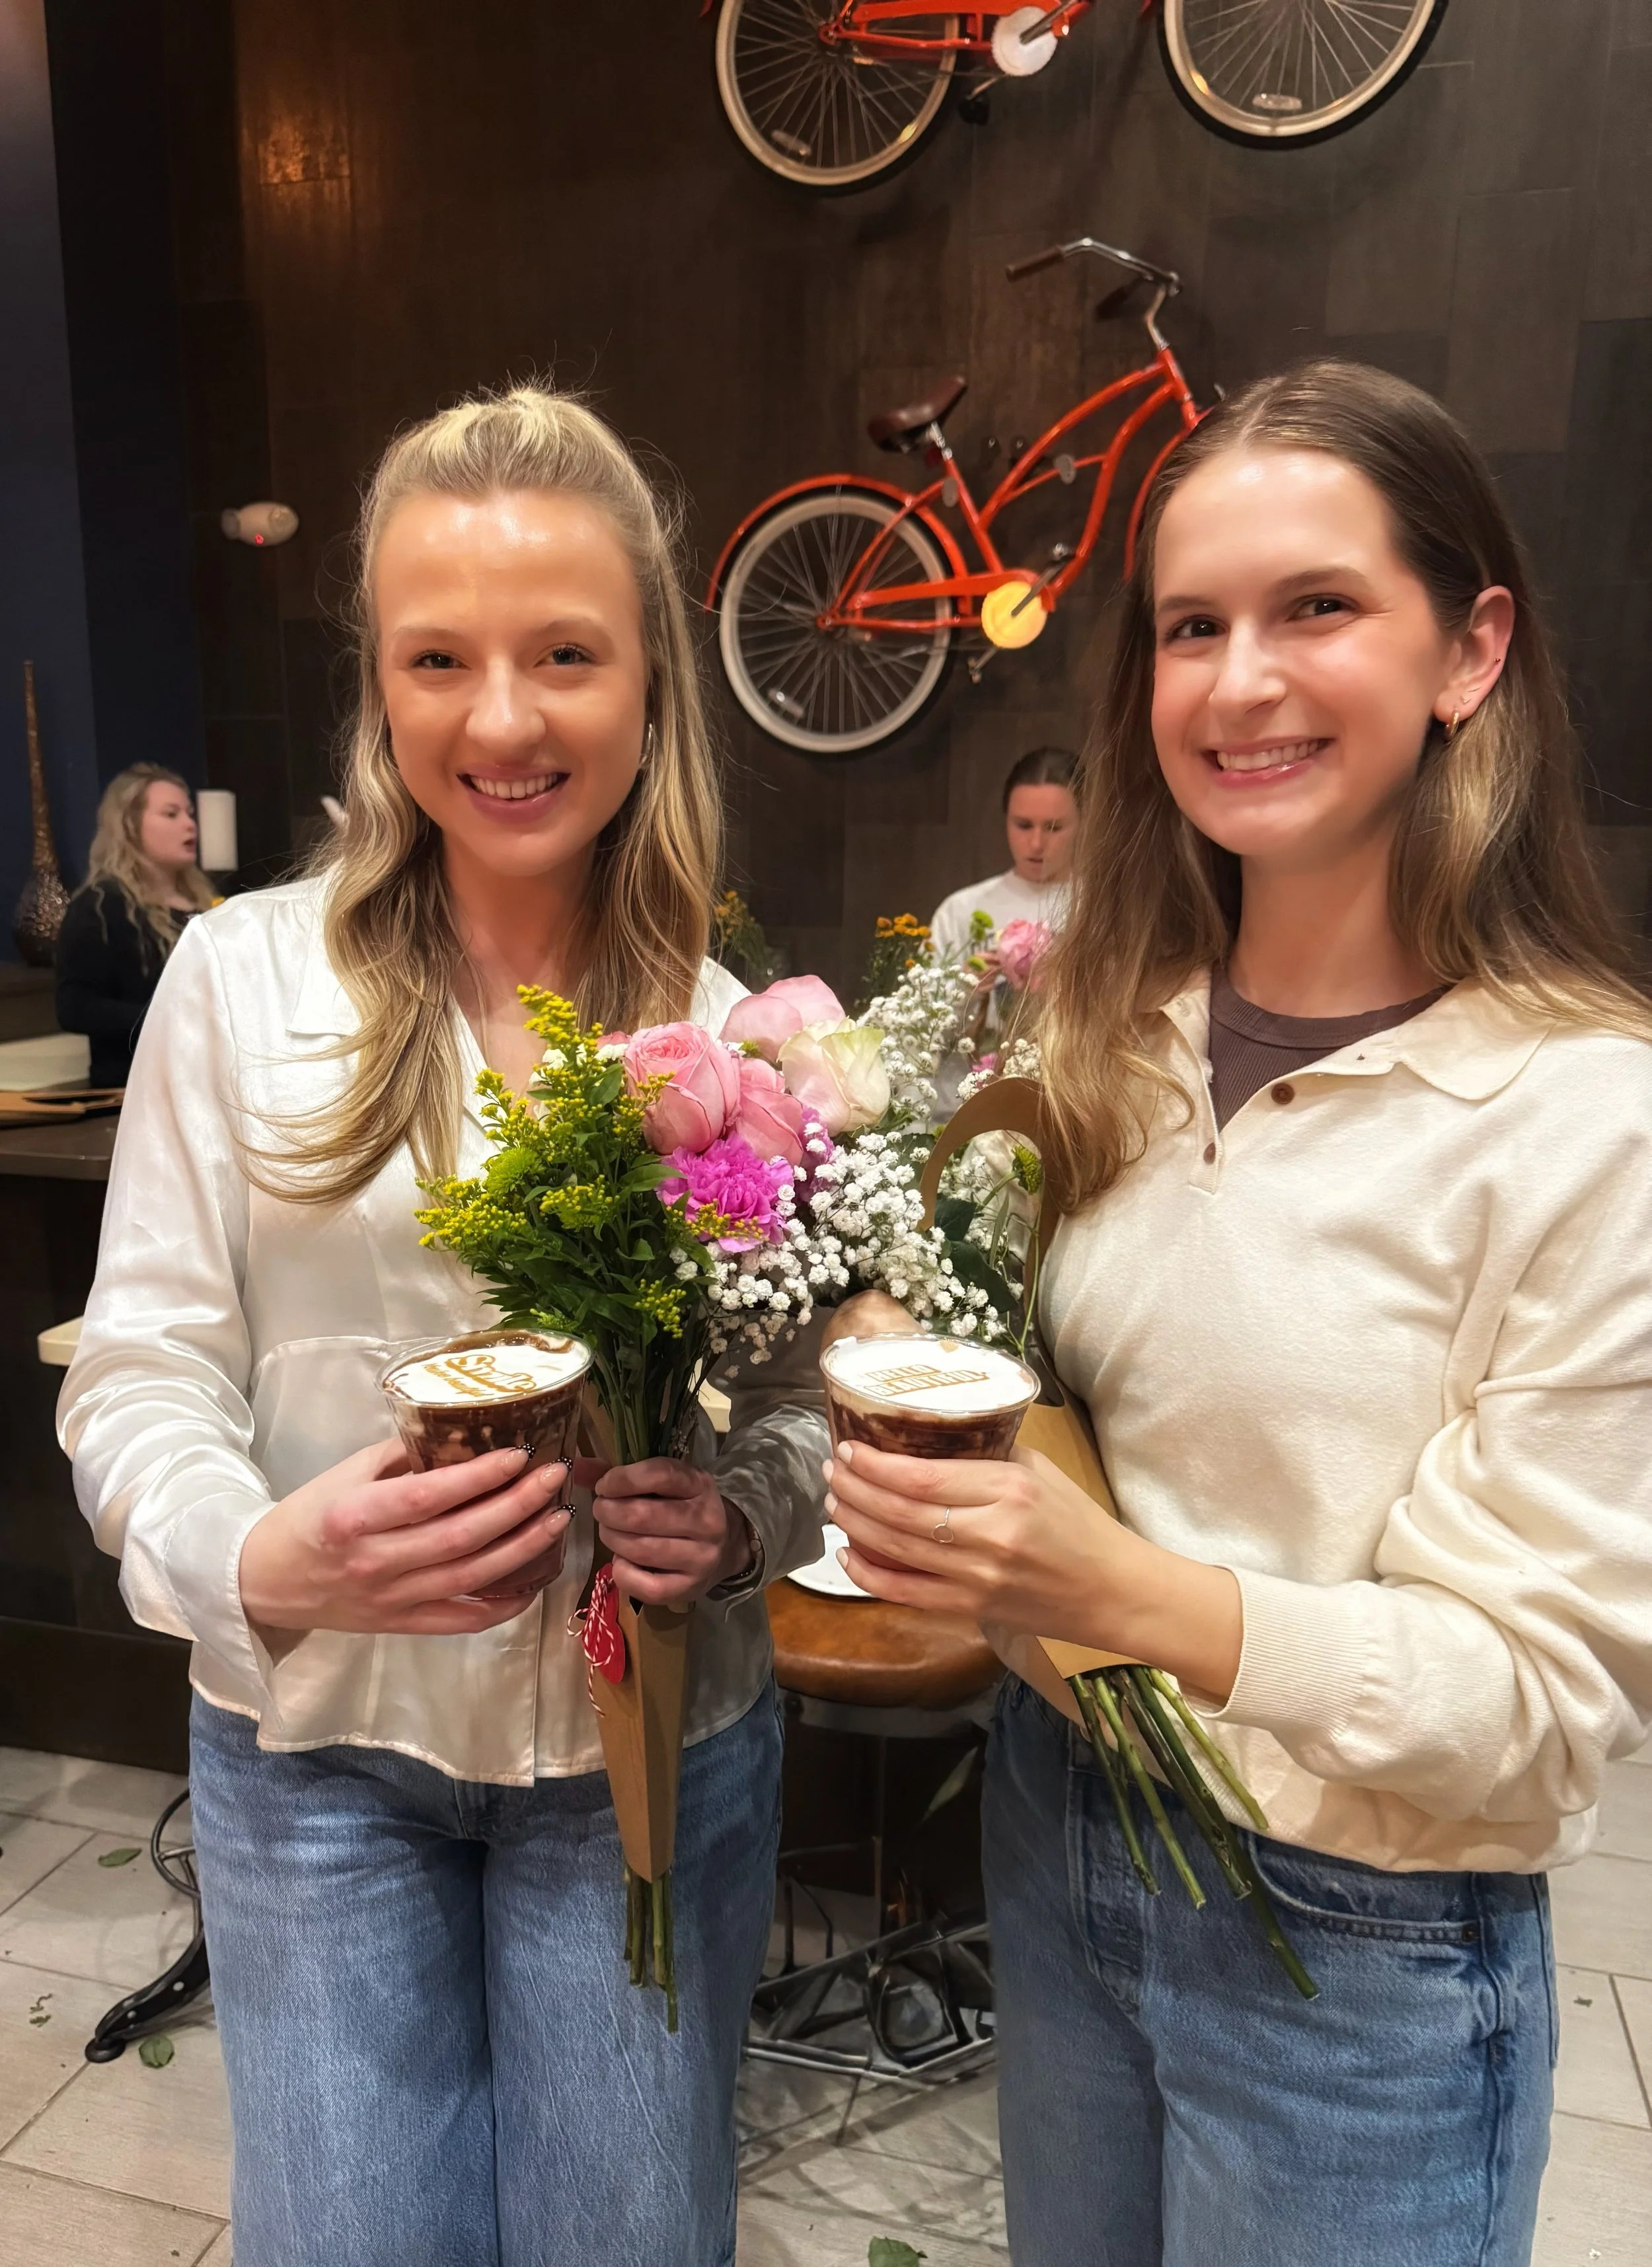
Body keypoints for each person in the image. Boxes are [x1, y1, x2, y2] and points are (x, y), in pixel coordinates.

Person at [822, 361, 1652, 2266]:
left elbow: (1532, 1706)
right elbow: (1004, 1342)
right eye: (1189, 626)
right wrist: (899, 1351)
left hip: (1352, 1944)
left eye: (1315, 607)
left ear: (1470, 646)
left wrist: (1106, 1586)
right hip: (1054, 1825)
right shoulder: (1109, 1033)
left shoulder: (1580, 1113)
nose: (1236, 679)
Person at [59, 387, 833, 2267]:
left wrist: (734, 1514)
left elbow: (801, 1416)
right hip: (315, 1754)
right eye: (440, 658)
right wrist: (256, 1549)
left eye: (564, 653)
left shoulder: (744, 1039)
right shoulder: (241, 980)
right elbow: (141, 1365)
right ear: (379, 687)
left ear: (649, 683)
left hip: (639, 1750)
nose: (501, 718)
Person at [54, 764, 215, 1085]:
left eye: (189, 813)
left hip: (203, 1080)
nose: (189, 824)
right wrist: (167, 1019)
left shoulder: (203, 903)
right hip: (133, 1088)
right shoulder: (101, 906)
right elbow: (75, 1007)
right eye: (171, 814)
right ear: (129, 825)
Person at [928, 744, 1078, 960]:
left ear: (1085, 823)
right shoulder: (960, 911)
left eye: (1053, 828)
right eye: (1024, 826)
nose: (1036, 844)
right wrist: (967, 984)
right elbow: (924, 992)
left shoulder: (1106, 913)